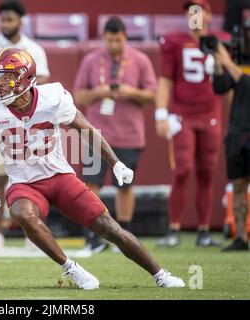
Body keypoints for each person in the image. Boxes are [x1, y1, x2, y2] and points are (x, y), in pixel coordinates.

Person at [0, 47, 185, 290]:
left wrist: (115, 163)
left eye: (7, 78)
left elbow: (87, 130)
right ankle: (71, 268)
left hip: (60, 177)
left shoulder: (52, 98)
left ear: (25, 78)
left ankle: (159, 274)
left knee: (108, 227)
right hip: (24, 183)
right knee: (22, 214)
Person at [73, 16, 157, 255]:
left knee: (125, 185)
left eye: (118, 40)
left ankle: (124, 234)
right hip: (95, 133)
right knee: (91, 184)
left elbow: (152, 94)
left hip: (129, 134)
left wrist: (132, 92)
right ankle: (93, 236)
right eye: (109, 40)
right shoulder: (90, 60)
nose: (113, 45)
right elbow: (78, 97)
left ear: (125, 37)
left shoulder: (140, 59)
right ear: (103, 38)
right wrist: (99, 92)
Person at [156, 0, 230, 247]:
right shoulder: (174, 41)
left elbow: (229, 81)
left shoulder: (220, 40)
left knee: (207, 172)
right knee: (183, 168)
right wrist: (160, 113)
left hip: (211, 114)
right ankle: (174, 229)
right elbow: (166, 80)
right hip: (182, 114)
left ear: (209, 16)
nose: (194, 16)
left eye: (199, 11)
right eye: (191, 12)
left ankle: (204, 231)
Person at [0, 0, 50, 251]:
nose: (5, 24)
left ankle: (33, 233)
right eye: (3, 19)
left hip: (30, 122)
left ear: (20, 20)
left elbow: (41, 81)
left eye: (10, 19)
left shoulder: (35, 49)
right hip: (0, 120)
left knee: (33, 176)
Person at [213, 43, 250, 251]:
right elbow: (220, 87)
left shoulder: (239, 70)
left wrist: (226, 61)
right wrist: (218, 65)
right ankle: (241, 237)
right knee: (238, 186)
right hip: (238, 134)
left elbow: (246, 84)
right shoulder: (240, 66)